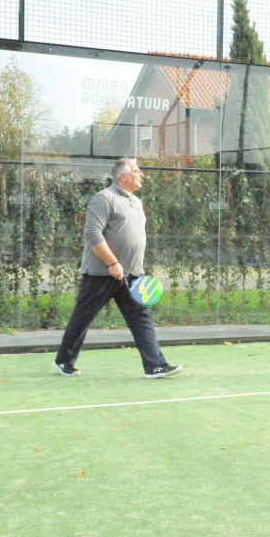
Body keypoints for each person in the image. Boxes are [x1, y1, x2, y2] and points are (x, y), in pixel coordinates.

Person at [54, 158, 182, 379]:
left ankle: (155, 366)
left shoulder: (137, 202)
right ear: (123, 175)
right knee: (82, 318)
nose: (141, 174)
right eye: (137, 171)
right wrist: (113, 263)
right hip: (102, 274)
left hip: (132, 276)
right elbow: (92, 233)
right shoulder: (104, 198)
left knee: (141, 318)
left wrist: (134, 267)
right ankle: (64, 361)